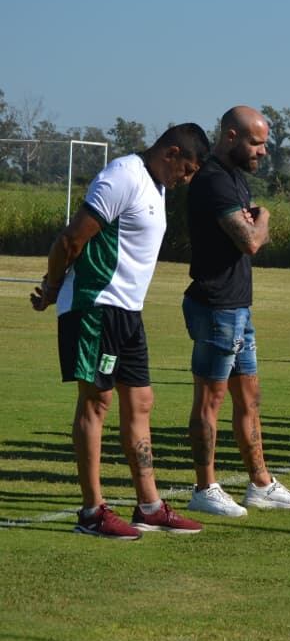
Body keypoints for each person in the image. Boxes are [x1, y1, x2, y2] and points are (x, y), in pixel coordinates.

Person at [31, 124, 210, 539]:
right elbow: (71, 239)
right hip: (96, 305)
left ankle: (148, 506)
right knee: (97, 403)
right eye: (186, 169)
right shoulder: (123, 176)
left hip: (128, 311)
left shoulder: (157, 185)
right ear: (171, 152)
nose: (185, 180)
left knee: (142, 401)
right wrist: (53, 288)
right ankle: (92, 511)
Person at [182, 107, 290, 517]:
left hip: (237, 306)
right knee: (210, 400)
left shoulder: (234, 178)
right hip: (216, 305)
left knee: (249, 399)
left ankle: (261, 483)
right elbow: (251, 240)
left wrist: (255, 219)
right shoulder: (216, 181)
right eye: (256, 142)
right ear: (231, 136)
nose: (263, 151)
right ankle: (205, 487)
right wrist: (265, 216)